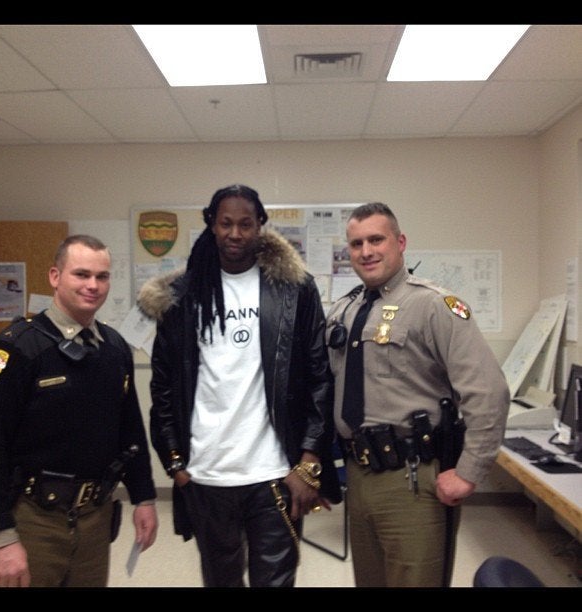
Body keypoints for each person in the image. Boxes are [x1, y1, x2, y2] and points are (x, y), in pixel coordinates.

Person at [137, 184, 342, 588]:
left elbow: (319, 376)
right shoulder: (183, 296)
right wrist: (175, 463)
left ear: (260, 224)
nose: (235, 233)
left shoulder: (294, 290)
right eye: (225, 223)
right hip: (207, 474)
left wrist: (308, 461)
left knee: (276, 581)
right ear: (211, 225)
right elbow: (163, 388)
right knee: (221, 580)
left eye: (245, 224)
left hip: (274, 473)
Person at [325, 202, 510, 588]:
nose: (366, 251)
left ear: (400, 242)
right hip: (359, 474)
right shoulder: (343, 311)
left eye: (376, 240)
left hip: (411, 479)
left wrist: (469, 471)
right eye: (356, 244)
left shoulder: (435, 305)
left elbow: (488, 391)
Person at [0, 234, 158, 588]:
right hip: (30, 518)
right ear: (55, 276)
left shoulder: (114, 348)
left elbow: (129, 429)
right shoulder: (15, 351)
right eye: (81, 274)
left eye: (102, 276)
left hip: (95, 519)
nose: (93, 285)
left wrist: (144, 496)